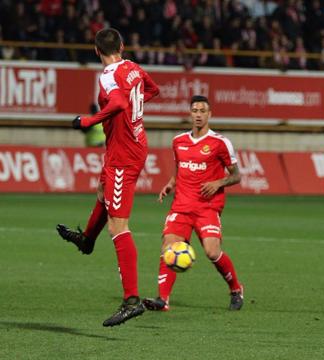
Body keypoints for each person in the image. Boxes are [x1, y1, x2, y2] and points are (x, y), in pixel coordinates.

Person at [56, 28, 160, 327]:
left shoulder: (108, 75)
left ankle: (131, 300)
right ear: (123, 46)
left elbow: (118, 104)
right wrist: (132, 117)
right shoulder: (134, 69)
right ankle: (87, 239)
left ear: (95, 50)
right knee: (103, 192)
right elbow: (153, 91)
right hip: (135, 144)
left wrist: (88, 120)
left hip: (123, 155)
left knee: (118, 226)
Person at [142, 95, 244, 312]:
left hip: (207, 207)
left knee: (211, 252)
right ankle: (163, 300)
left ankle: (236, 289)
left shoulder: (220, 143)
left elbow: (236, 176)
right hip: (181, 205)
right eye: (195, 111)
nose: (198, 115)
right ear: (190, 114)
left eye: (202, 111)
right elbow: (179, 169)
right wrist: (170, 184)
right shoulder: (178, 141)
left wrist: (218, 182)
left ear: (209, 114)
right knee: (168, 248)